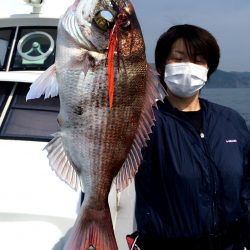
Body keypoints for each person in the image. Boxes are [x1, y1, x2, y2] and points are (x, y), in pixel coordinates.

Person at [127, 24, 250, 250]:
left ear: (208, 68)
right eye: (179, 58)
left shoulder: (231, 121)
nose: (188, 67)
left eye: (198, 60)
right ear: (162, 65)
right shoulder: (144, 122)